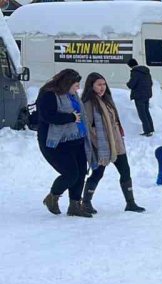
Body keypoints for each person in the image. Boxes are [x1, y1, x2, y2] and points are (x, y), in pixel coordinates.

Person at [81, 72, 145, 214]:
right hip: (102, 145)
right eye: (99, 84)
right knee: (98, 174)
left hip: (116, 143)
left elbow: (114, 120)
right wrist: (99, 143)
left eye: (104, 84)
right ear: (91, 86)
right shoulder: (89, 103)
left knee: (125, 171)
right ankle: (85, 202)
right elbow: (88, 127)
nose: (102, 87)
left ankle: (130, 202)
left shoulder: (107, 100)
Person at [37, 69, 92, 218]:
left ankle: (75, 205)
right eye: (75, 85)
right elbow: (47, 116)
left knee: (81, 173)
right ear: (66, 83)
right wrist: (70, 118)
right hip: (55, 142)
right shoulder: (48, 94)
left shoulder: (71, 95)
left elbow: (81, 114)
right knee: (71, 174)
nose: (78, 88)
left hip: (77, 138)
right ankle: (52, 197)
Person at [126, 58, 154, 137]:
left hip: (139, 96)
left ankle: (147, 131)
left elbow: (132, 84)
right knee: (146, 112)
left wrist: (128, 84)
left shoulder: (135, 72)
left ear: (131, 66)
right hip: (147, 95)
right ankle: (151, 129)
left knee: (142, 114)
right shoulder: (146, 71)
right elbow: (150, 83)